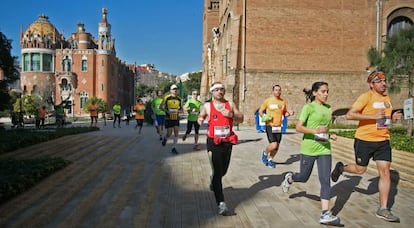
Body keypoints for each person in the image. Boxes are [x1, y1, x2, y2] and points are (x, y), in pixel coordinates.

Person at [330, 71, 400, 223]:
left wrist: (392, 118)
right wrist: (372, 116)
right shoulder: (365, 97)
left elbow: (383, 119)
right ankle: (341, 168)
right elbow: (350, 115)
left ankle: (383, 209)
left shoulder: (387, 99)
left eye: (384, 81)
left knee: (385, 172)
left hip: (383, 141)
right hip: (364, 140)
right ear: (371, 84)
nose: (384, 84)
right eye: (380, 82)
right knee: (360, 170)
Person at [281, 81, 340, 225]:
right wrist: (314, 131)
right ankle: (290, 178)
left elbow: (324, 129)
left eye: (327, 91)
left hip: (324, 148)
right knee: (303, 177)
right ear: (314, 93)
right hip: (309, 148)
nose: (326, 94)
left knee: (325, 180)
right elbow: (299, 128)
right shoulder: (308, 107)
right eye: (323, 91)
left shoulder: (328, 108)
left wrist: (330, 134)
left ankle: (325, 213)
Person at [198, 82, 244, 216]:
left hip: (227, 141)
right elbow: (201, 116)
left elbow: (241, 118)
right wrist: (200, 119)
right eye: (217, 90)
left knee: (223, 171)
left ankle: (213, 178)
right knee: (218, 173)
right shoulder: (207, 105)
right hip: (214, 142)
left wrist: (231, 115)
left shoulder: (230, 105)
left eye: (222, 89)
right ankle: (221, 203)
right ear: (212, 92)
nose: (220, 92)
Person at [258, 85, 293, 168]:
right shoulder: (268, 101)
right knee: (273, 144)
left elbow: (285, 113)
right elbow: (260, 111)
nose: (278, 92)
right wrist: (264, 117)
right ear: (273, 91)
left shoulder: (283, 102)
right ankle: (265, 153)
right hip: (270, 125)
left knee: (277, 146)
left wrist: (290, 114)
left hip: (278, 126)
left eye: (279, 90)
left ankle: (270, 160)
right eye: (276, 90)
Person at [160, 85, 183, 154]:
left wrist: (179, 110)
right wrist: (167, 111)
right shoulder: (166, 98)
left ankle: (174, 148)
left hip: (176, 118)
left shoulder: (179, 99)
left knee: (176, 132)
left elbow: (181, 109)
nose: (175, 90)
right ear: (170, 90)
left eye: (176, 89)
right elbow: (160, 107)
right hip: (168, 118)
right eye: (173, 89)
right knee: (169, 133)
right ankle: (165, 138)